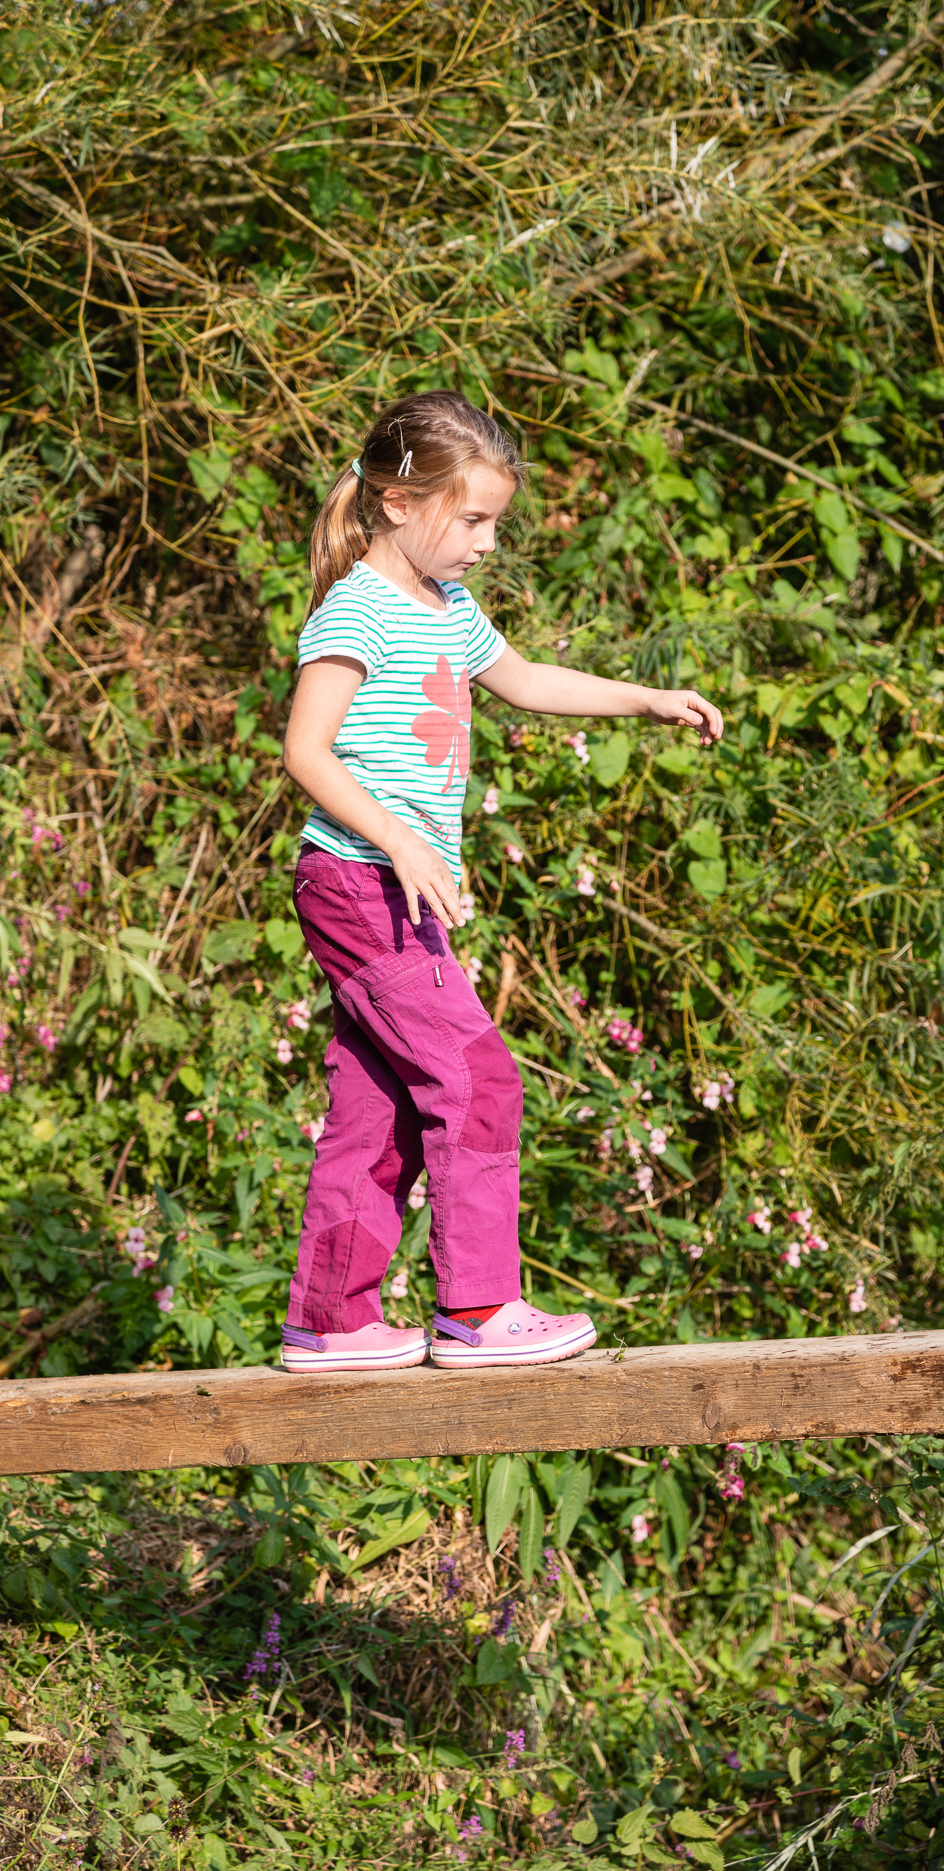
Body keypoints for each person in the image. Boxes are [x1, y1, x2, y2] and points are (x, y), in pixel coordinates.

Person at [277, 391, 722, 1372]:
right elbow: (306, 752)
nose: (485, 543)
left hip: (394, 892)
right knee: (479, 1081)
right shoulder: (355, 607)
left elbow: (523, 681)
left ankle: (330, 1318)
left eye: (493, 523)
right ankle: (477, 1309)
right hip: (359, 881)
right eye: (471, 519)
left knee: (377, 1101)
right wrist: (397, 839)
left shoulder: (449, 606)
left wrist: (644, 699)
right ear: (398, 503)